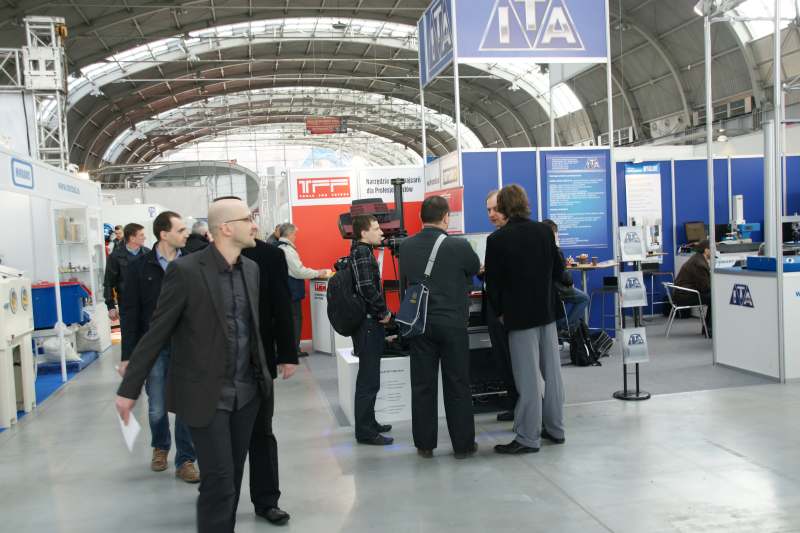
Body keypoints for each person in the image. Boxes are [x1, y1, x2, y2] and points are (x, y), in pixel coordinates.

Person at [116, 198, 272, 533]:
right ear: (226, 228)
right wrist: (129, 389)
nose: (255, 225)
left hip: (247, 394)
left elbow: (251, 330)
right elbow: (157, 332)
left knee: (232, 480)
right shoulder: (186, 271)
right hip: (206, 395)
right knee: (219, 482)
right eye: (248, 219)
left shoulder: (252, 269)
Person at [485, 184, 566, 455]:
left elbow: (493, 285)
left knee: (527, 379)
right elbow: (559, 270)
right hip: (547, 314)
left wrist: (500, 312)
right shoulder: (544, 231)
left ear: (503, 207)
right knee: (553, 375)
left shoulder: (497, 240)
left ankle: (528, 437)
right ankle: (556, 428)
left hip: (519, 318)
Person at [399, 196, 481, 459]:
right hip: (453, 323)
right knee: (458, 384)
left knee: (422, 385)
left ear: (421, 217)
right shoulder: (459, 245)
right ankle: (463, 446)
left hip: (420, 324)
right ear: (446, 217)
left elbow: (406, 280)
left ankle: (425, 445)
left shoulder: (406, 246)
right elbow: (474, 268)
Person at [119, 211, 198, 483]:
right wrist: (128, 355)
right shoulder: (139, 268)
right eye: (181, 229)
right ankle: (160, 447)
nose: (187, 233)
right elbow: (129, 312)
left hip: (187, 345)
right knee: (157, 405)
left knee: (187, 403)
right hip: (154, 346)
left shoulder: (192, 263)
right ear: (164, 234)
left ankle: (186, 459)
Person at [241, 235, 297, 526]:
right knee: (221, 440)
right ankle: (221, 501)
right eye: (244, 219)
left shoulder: (270, 256)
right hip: (216, 366)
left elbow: (281, 305)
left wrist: (287, 354)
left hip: (259, 361)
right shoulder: (200, 262)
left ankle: (267, 502)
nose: (252, 225)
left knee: (262, 432)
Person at [350, 214, 393, 446]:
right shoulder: (363, 253)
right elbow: (367, 287)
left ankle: (369, 422)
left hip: (367, 324)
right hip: (368, 324)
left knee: (370, 378)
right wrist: (383, 311)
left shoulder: (361, 251)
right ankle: (365, 431)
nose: (381, 232)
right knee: (368, 380)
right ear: (364, 233)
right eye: (376, 229)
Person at [484, 190, 517, 423]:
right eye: (488, 210)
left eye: (495, 209)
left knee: (516, 362)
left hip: (507, 313)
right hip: (502, 312)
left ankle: (524, 408)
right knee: (505, 362)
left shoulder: (498, 240)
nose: (491, 214)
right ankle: (516, 405)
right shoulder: (496, 238)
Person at [276, 223, 331, 357]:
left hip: (285, 290)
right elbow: (298, 271)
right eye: (294, 234)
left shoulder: (279, 247)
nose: (295, 237)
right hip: (291, 292)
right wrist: (318, 272)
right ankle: (294, 350)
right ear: (289, 234)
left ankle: (288, 348)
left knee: (288, 320)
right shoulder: (287, 250)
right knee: (295, 319)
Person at [542, 218, 589, 332]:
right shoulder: (556, 250)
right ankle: (565, 326)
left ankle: (565, 327)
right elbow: (565, 278)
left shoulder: (539, 249)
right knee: (584, 298)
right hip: (559, 289)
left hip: (546, 291)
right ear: (553, 233)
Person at [104, 222, 150, 323]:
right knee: (129, 332)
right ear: (132, 238)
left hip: (147, 306)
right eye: (141, 235)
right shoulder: (115, 257)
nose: (145, 237)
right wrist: (111, 307)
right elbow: (108, 283)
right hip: (127, 306)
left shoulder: (149, 254)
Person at [674, 239, 712, 337]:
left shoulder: (697, 258)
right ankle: (709, 329)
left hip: (682, 293)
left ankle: (707, 328)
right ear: (706, 250)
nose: (715, 251)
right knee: (714, 299)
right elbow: (705, 288)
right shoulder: (700, 264)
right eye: (713, 249)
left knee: (713, 297)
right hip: (684, 296)